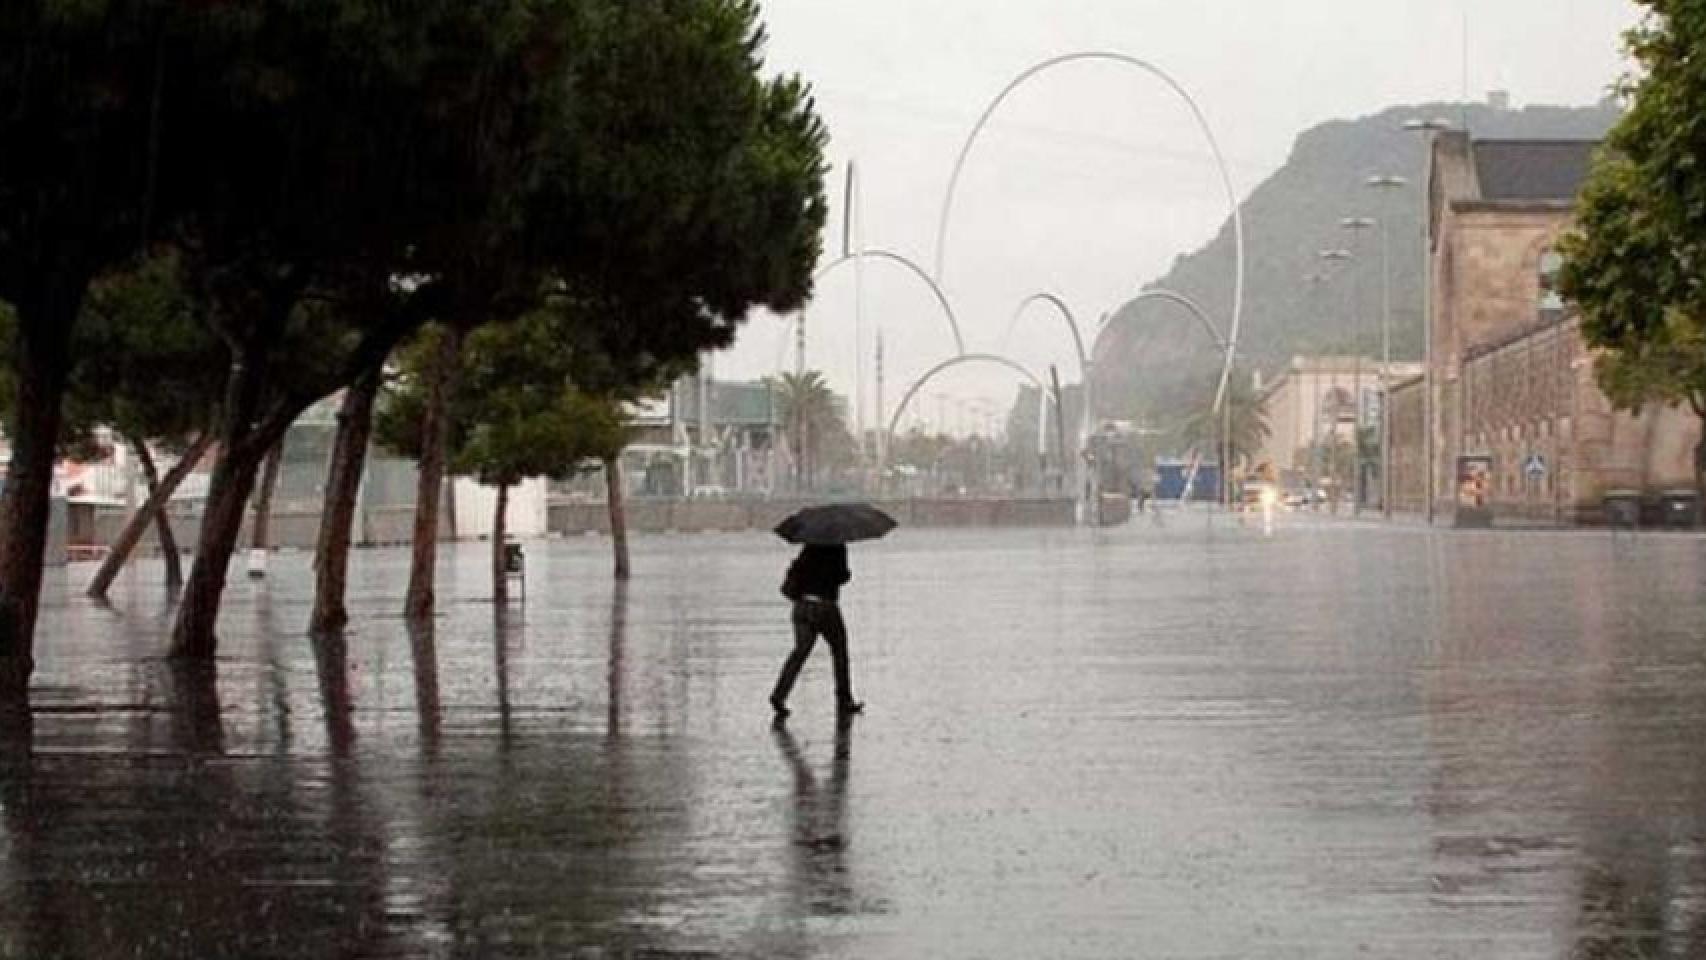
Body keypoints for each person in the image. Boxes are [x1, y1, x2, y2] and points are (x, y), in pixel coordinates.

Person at [770, 543, 861, 719]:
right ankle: (844, 700)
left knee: (799, 653)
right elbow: (841, 576)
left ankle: (779, 695)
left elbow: (797, 573)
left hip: (802, 607)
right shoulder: (838, 546)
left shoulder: (808, 547)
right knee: (839, 651)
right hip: (825, 607)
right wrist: (847, 574)